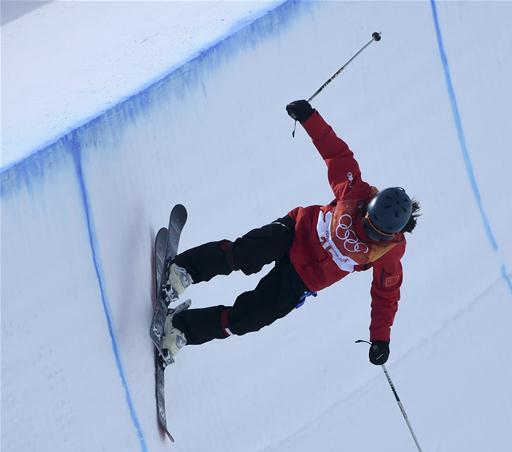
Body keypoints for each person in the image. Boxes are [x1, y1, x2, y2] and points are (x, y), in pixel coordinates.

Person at [159, 99, 419, 366]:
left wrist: (380, 339)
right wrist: (309, 117)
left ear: (389, 236)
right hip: (295, 232)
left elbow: (386, 295)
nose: (365, 229)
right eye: (366, 221)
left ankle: (181, 328)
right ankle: (184, 270)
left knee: (250, 318)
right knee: (247, 254)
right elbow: (336, 152)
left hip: (303, 279)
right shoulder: (355, 192)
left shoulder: (390, 252)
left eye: (374, 232)